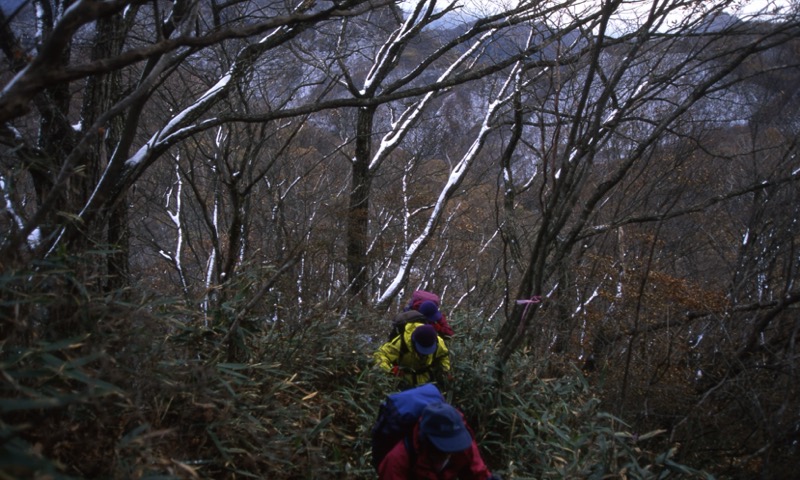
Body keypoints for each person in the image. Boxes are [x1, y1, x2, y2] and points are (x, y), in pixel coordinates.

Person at [378, 402, 500, 480]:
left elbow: (478, 474)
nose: (448, 453)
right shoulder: (397, 461)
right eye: (443, 448)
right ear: (426, 440)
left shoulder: (461, 442)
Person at [374, 323, 450, 388]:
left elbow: (443, 356)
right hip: (403, 382)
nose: (424, 354)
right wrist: (390, 370)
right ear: (414, 342)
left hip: (428, 382)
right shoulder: (401, 343)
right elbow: (380, 355)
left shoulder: (439, 343)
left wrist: (445, 371)